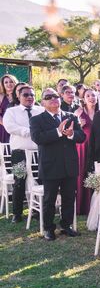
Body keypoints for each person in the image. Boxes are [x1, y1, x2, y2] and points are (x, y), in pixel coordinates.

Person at [30, 88, 86, 241]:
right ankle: (48, 228)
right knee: (49, 199)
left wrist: (72, 134)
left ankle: (66, 226)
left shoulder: (71, 117)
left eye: (55, 96)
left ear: (60, 99)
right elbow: (38, 138)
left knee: (69, 197)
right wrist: (58, 131)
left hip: (69, 165)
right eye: (48, 97)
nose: (53, 99)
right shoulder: (37, 119)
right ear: (42, 102)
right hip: (50, 166)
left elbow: (82, 137)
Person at [3, 85, 44, 223]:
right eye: (26, 95)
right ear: (19, 97)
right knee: (19, 181)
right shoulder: (11, 111)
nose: (29, 97)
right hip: (19, 153)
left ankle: (38, 211)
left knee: (40, 180)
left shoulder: (41, 110)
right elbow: (10, 127)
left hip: (38, 153)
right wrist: (31, 131)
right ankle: (17, 213)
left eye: (32, 95)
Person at [75, 88, 97, 214]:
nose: (91, 98)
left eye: (93, 95)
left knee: (94, 172)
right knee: (82, 173)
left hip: (96, 146)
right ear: (83, 99)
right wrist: (79, 126)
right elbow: (72, 130)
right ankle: (83, 206)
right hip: (83, 145)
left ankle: (94, 204)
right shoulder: (78, 112)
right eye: (88, 96)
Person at [0, 74, 17, 143]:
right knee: (6, 151)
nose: (9, 84)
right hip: (4, 127)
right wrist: (7, 125)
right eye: (6, 82)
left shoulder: (20, 96)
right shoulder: (1, 97)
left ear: (15, 83)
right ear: (3, 85)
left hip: (18, 126)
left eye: (11, 81)